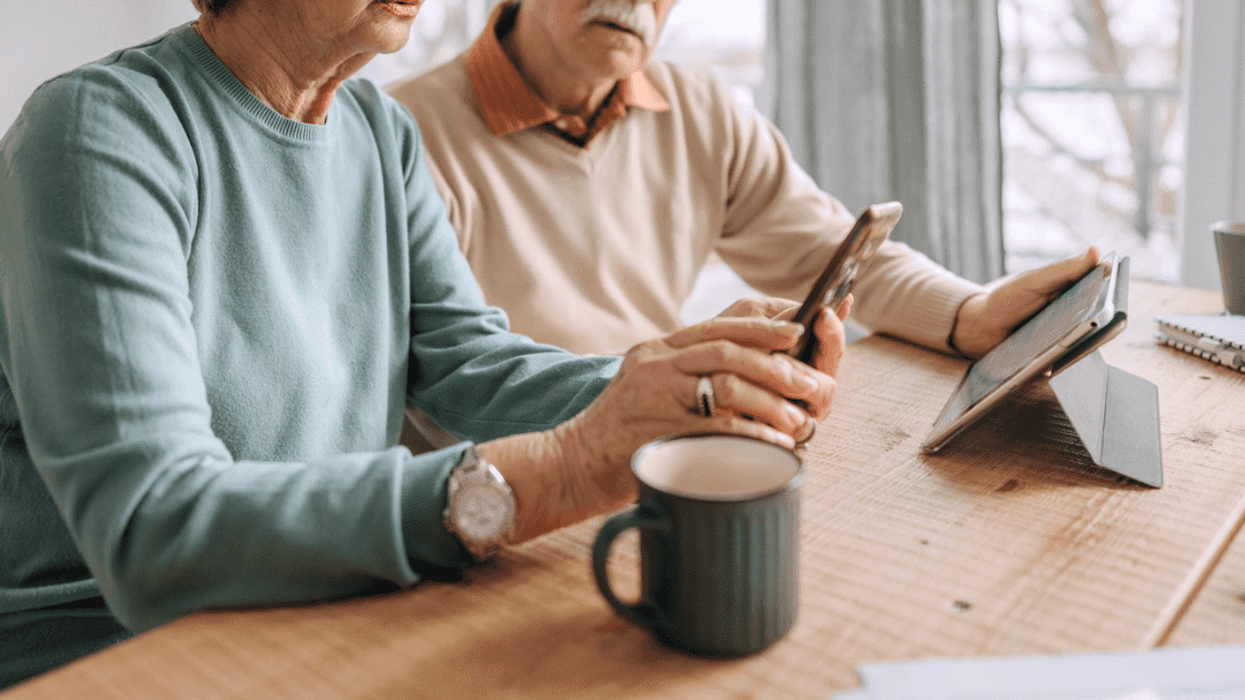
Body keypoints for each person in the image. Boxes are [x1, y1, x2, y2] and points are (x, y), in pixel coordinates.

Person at [0, 0, 849, 689]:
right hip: (110, 653)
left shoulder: (377, 128)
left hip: (320, 602)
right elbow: (153, 532)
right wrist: (549, 473)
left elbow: (468, 359)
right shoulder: (97, 133)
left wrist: (673, 383)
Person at [387, 0, 1100, 366]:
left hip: (657, 443)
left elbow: (829, 253)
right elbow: (442, 377)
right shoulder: (404, 134)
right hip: (503, 478)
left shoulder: (700, 109)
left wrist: (967, 314)